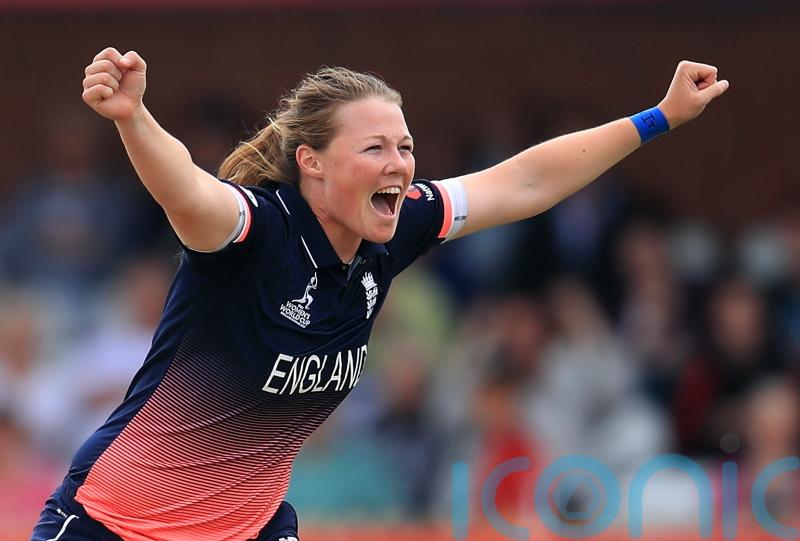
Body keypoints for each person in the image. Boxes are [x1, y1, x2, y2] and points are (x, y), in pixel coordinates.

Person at [30, 46, 728, 541]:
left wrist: (657, 117)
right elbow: (183, 186)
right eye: (375, 149)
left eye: (405, 145)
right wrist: (133, 118)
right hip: (110, 524)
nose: (399, 164)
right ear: (312, 163)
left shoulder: (391, 230)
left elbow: (522, 182)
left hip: (249, 528)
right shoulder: (256, 232)